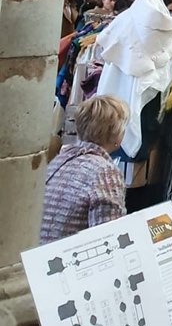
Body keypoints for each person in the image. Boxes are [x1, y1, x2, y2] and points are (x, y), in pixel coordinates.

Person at [40, 95, 129, 242]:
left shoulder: (59, 160)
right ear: (116, 135)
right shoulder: (105, 172)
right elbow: (110, 237)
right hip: (68, 257)